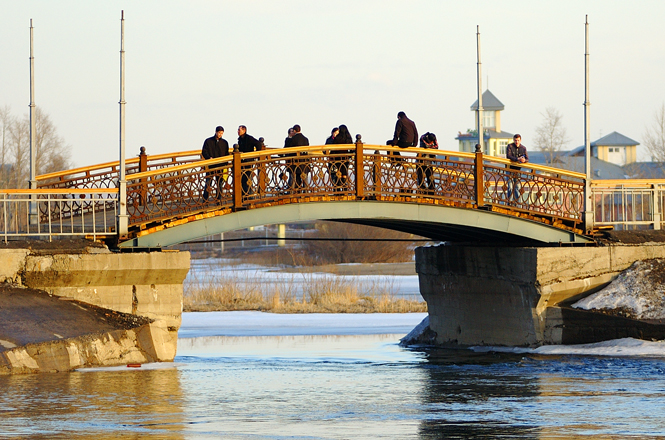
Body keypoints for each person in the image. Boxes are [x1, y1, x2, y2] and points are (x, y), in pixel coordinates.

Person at [201, 126, 229, 201]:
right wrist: (208, 158)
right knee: (208, 183)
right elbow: (204, 151)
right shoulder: (208, 141)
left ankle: (219, 198)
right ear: (216, 132)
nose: (220, 134)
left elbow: (227, 154)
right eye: (219, 133)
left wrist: (225, 163)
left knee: (219, 183)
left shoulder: (224, 143)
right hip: (211, 165)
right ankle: (205, 199)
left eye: (222, 133)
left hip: (220, 166)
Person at [237, 125, 264, 196]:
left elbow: (258, 144)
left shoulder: (249, 138)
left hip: (248, 161)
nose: (238, 131)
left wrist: (255, 155)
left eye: (239, 130)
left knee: (248, 179)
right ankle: (244, 195)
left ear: (244, 130)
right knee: (243, 179)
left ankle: (249, 195)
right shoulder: (240, 139)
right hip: (242, 161)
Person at [506, 133, 529, 202]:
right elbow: (508, 156)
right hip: (509, 169)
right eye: (515, 140)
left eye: (518, 140)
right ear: (513, 140)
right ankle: (509, 202)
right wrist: (517, 159)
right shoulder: (510, 146)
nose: (517, 142)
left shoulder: (523, 148)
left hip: (517, 170)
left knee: (517, 187)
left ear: (520, 140)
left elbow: (527, 159)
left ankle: (517, 203)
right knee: (510, 187)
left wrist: (524, 160)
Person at [331, 125, 353, 191]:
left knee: (339, 172)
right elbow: (351, 148)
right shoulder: (348, 138)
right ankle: (345, 187)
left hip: (338, 157)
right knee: (344, 171)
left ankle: (339, 188)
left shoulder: (338, 138)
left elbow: (333, 148)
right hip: (346, 157)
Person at [289, 125, 310, 190]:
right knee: (304, 177)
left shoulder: (293, 139)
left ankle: (293, 191)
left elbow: (290, 150)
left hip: (295, 161)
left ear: (295, 131)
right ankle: (306, 191)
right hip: (304, 161)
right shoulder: (305, 139)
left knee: (294, 177)